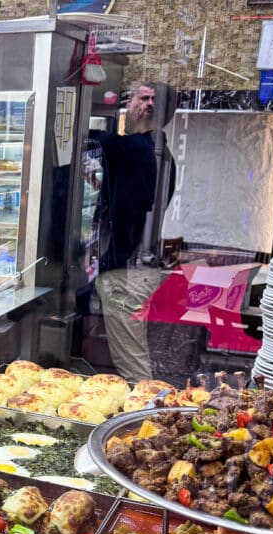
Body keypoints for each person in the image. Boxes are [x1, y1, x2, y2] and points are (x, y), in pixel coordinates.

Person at [93, 83, 159, 381]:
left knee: (131, 353)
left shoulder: (135, 145)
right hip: (124, 261)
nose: (150, 104)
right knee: (130, 348)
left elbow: (96, 141)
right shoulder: (141, 146)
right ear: (128, 104)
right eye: (143, 98)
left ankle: (143, 398)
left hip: (123, 270)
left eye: (152, 99)